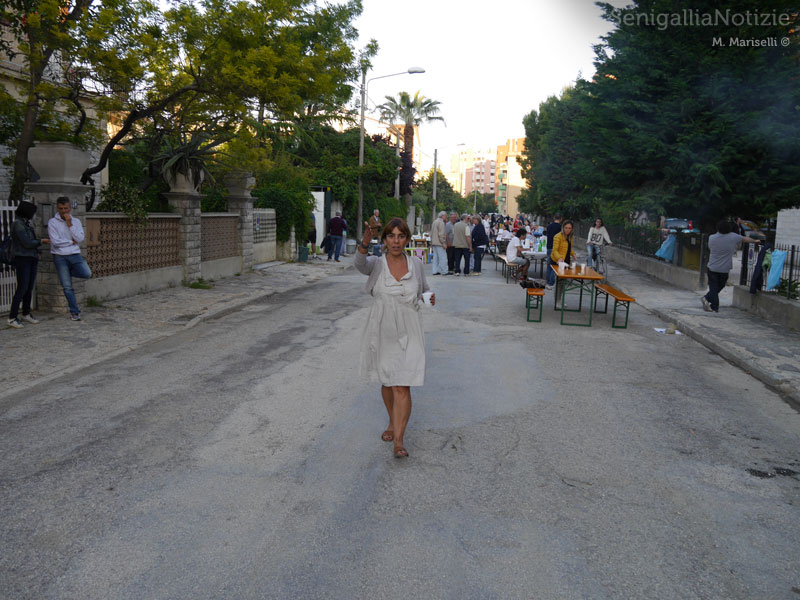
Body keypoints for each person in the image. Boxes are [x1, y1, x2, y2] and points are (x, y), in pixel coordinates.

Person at [355, 217, 434, 459]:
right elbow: (359, 264)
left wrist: (429, 297)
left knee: (403, 384)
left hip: (410, 330)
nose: (396, 241)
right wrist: (364, 243)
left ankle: (399, 439)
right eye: (391, 236)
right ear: (385, 240)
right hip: (383, 329)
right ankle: (392, 421)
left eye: (401, 236)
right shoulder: (376, 264)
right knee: (388, 381)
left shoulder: (417, 265)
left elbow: (425, 290)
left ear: (407, 239)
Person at [48, 197, 92, 321]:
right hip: (60, 256)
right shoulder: (52, 222)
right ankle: (75, 312)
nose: (63, 211)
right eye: (61, 208)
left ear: (70, 208)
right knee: (67, 287)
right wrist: (70, 242)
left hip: (74, 254)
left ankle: (66, 273)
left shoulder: (76, 221)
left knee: (87, 273)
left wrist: (70, 225)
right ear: (57, 208)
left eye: (65, 208)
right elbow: (55, 242)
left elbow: (79, 238)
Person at [7, 201, 50, 329]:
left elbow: (31, 241)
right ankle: (12, 317)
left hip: (31, 258)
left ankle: (26, 313)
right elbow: (26, 243)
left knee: (29, 286)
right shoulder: (18, 225)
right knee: (22, 287)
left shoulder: (26, 223)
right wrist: (41, 242)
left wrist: (37, 251)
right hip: (22, 259)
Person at [703, 220, 760, 313]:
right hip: (725, 269)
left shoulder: (712, 237)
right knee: (719, 286)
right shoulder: (733, 237)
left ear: (718, 228)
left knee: (714, 287)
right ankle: (714, 307)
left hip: (712, 267)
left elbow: (710, 248)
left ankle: (706, 298)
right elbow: (745, 239)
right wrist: (755, 241)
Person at [550, 219, 577, 288]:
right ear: (563, 228)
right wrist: (560, 258)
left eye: (569, 228)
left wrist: (573, 254)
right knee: (558, 282)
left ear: (572, 229)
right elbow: (555, 250)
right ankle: (557, 297)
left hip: (566, 261)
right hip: (558, 261)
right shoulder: (557, 236)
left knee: (562, 282)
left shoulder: (570, 237)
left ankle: (560, 296)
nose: (567, 230)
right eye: (566, 228)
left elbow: (569, 249)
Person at [545, 215, 563, 288]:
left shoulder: (549, 226)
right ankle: (551, 282)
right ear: (561, 219)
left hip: (549, 246)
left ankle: (547, 280)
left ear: (554, 218)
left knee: (549, 265)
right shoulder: (561, 227)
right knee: (555, 266)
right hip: (556, 248)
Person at [430, 210, 448, 275]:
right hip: (439, 243)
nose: (446, 217)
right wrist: (443, 243)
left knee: (435, 258)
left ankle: (434, 271)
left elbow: (431, 233)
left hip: (434, 242)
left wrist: (431, 242)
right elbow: (441, 234)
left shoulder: (434, 222)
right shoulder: (441, 223)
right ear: (442, 216)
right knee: (443, 257)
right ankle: (444, 271)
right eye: (446, 216)